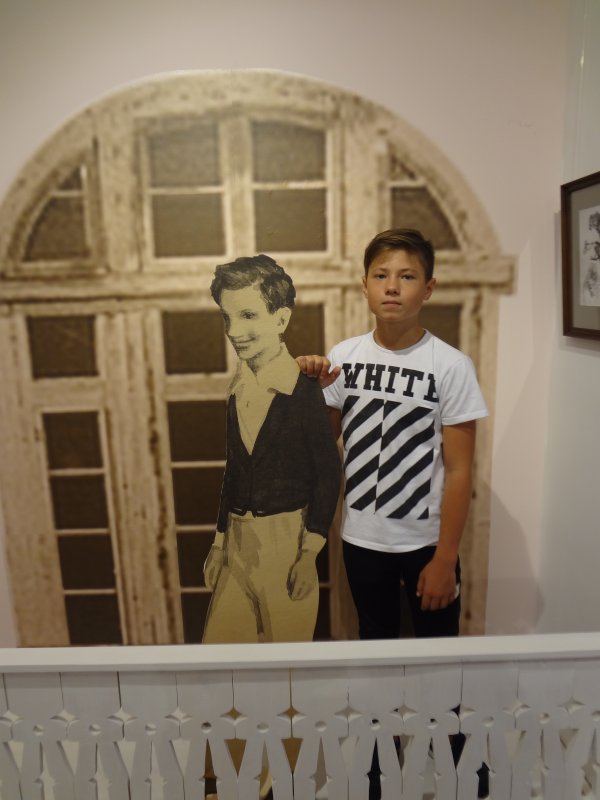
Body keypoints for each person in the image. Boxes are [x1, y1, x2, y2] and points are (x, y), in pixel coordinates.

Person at [298, 228, 489, 796]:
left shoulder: (450, 365)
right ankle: (377, 769)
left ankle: (460, 770)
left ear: (428, 288)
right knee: (376, 658)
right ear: (363, 285)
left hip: (427, 544)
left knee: (440, 664)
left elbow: (460, 470)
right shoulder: (344, 358)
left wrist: (446, 558)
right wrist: (309, 386)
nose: (392, 287)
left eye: (407, 276)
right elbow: (319, 448)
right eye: (381, 275)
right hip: (362, 541)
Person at [202, 254, 340, 645]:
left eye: (248, 316)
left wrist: (309, 553)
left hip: (286, 541)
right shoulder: (237, 387)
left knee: (287, 656)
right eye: (227, 318)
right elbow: (234, 470)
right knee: (219, 650)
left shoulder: (303, 389)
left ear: (280, 320)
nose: (235, 332)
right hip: (236, 544)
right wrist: (219, 542)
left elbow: (328, 474)